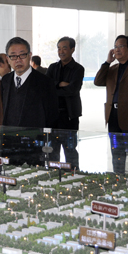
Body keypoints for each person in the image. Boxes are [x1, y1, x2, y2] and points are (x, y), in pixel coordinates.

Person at [1, 37, 58, 165]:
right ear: (7, 59)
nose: (18, 60)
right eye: (13, 56)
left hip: (35, 146)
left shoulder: (45, 82)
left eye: (22, 55)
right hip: (9, 144)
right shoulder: (5, 80)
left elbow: (52, 116)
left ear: (30, 55)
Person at [94, 35, 128, 174]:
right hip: (113, 115)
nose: (117, 49)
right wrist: (107, 62)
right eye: (115, 47)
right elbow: (98, 81)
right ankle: (118, 178)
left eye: (121, 46)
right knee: (117, 152)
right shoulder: (113, 68)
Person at [46, 37, 84, 169]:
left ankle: (74, 175)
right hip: (53, 118)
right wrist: (60, 84)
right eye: (59, 48)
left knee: (70, 151)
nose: (61, 51)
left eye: (64, 48)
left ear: (72, 49)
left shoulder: (78, 69)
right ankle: (52, 175)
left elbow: (72, 90)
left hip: (69, 117)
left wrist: (54, 88)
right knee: (52, 151)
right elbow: (46, 88)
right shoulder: (52, 67)